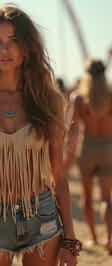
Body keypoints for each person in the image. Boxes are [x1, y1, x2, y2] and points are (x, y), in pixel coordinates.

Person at [0, 5, 81, 266]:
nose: (4, 50)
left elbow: (59, 175)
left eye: (13, 41)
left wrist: (69, 237)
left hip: (41, 217)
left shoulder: (49, 100)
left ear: (27, 46)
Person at [75, 59, 112, 253]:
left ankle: (94, 238)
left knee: (87, 197)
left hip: (87, 149)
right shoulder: (110, 97)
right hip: (108, 149)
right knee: (106, 198)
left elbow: (71, 129)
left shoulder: (80, 99)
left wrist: (66, 157)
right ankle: (110, 237)